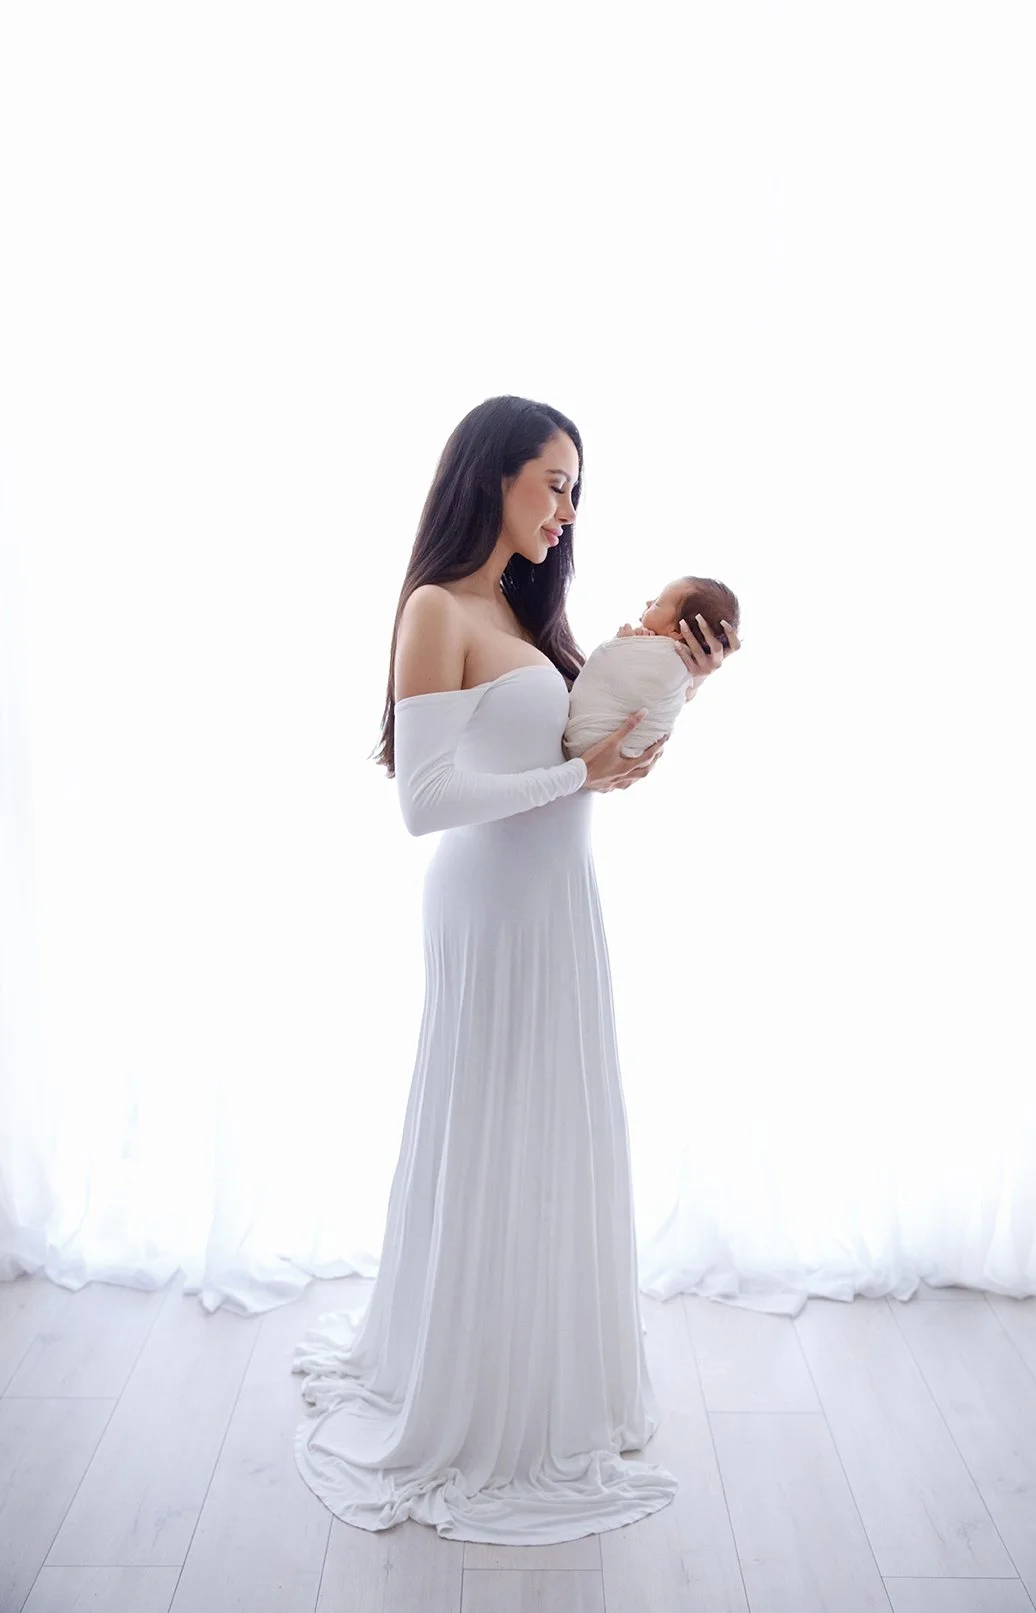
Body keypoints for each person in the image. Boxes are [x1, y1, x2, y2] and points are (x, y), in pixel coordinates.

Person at [291, 395, 739, 1546]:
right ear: (492, 474)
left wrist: (677, 690)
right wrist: (581, 776)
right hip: (488, 909)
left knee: (552, 1132)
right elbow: (425, 802)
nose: (567, 508)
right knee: (494, 1128)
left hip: (558, 902)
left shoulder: (528, 611)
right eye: (554, 481)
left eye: (576, 488)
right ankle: (475, 1385)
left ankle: (546, 1378)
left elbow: (589, 752)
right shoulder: (438, 608)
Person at [563, 574, 741, 759]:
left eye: (657, 603)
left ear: (677, 630)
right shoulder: (650, 650)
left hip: (600, 746)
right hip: (612, 754)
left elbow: (657, 696)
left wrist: (624, 644)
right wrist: (626, 645)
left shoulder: (673, 661)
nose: (648, 602)